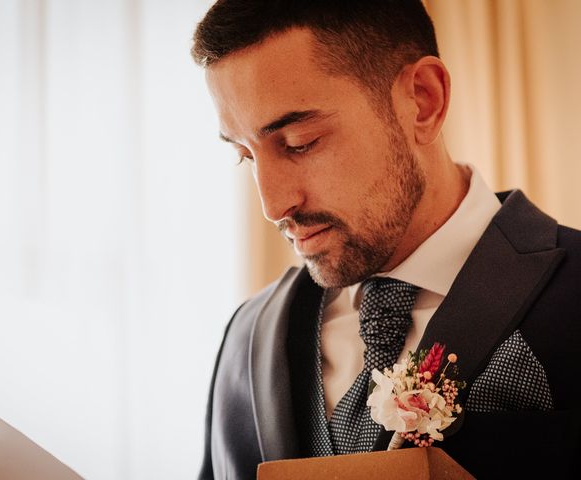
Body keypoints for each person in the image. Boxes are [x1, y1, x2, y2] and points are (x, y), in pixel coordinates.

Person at [191, 1, 581, 479]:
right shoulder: (246, 334)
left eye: (300, 142)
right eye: (244, 156)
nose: (273, 205)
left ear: (423, 100)